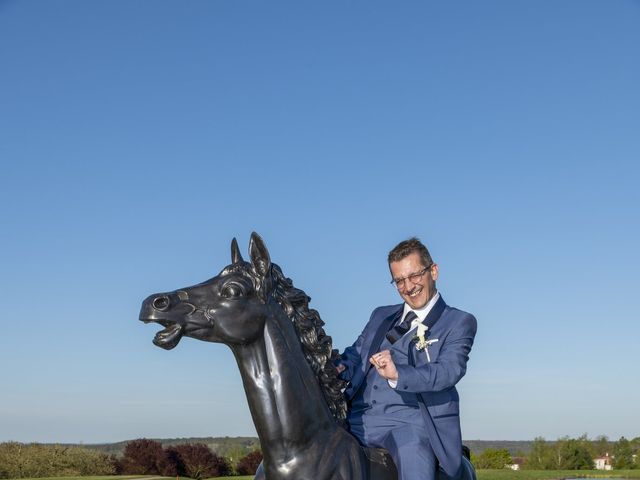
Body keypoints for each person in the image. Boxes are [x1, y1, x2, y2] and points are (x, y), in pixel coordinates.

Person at [336, 237, 477, 480]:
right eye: (399, 280)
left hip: (409, 425)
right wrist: (335, 367)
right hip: (354, 417)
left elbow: (447, 371)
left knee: (414, 458)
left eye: (415, 276)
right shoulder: (380, 315)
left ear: (433, 271)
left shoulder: (459, 322)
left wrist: (398, 374)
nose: (408, 286)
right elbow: (354, 356)